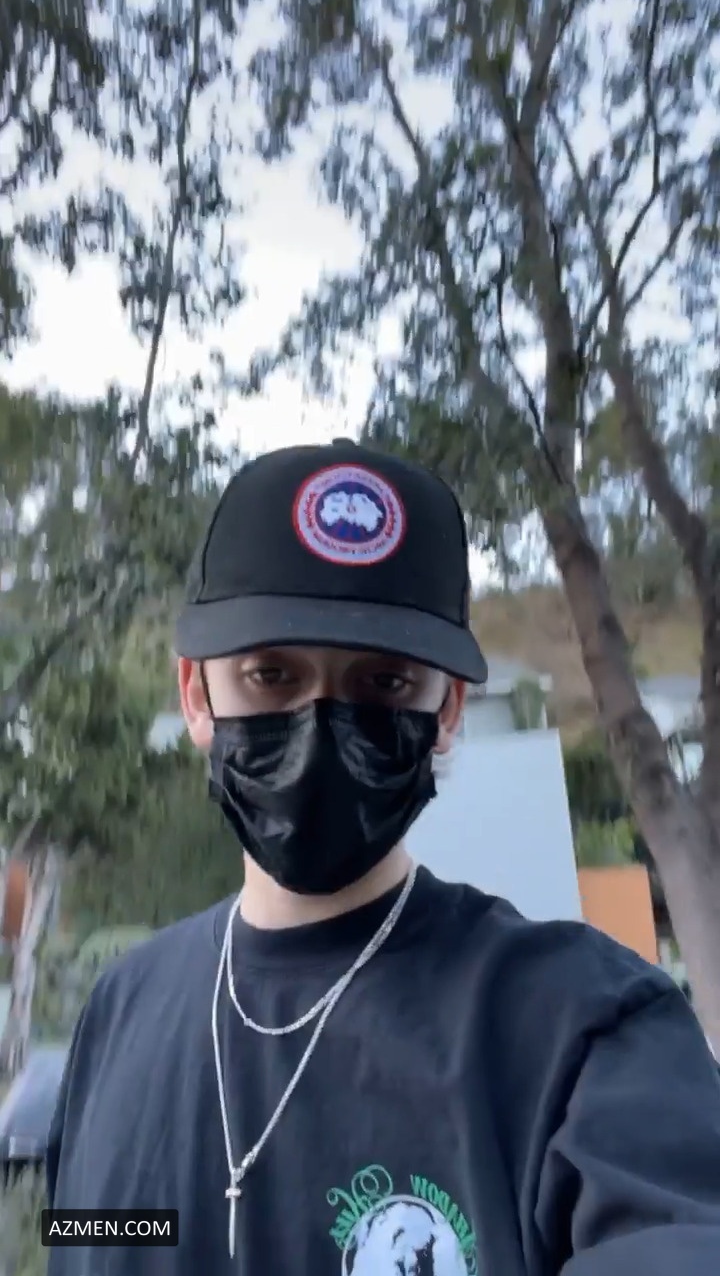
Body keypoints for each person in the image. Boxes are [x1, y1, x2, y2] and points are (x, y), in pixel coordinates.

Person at [47, 438, 720, 1275]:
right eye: (270, 674)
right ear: (195, 695)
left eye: (385, 685)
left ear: (448, 712)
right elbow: (96, 1239)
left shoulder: (582, 1034)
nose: (318, 731)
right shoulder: (115, 1018)